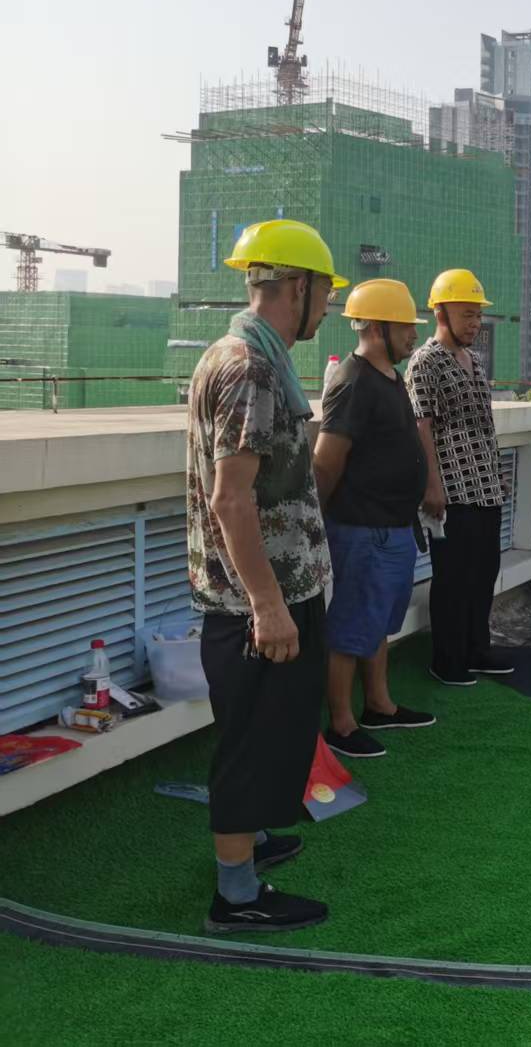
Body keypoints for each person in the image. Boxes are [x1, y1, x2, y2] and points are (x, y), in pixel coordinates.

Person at [186, 219, 344, 933]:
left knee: (269, 732)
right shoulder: (251, 369)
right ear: (298, 286)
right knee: (252, 744)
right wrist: (268, 606)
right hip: (259, 601)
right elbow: (231, 498)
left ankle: (248, 842)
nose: (329, 308)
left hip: (269, 590)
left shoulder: (238, 354)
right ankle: (237, 896)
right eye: (326, 293)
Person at [312, 278, 437, 759]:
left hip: (393, 526)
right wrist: (317, 520)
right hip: (362, 528)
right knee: (350, 627)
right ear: (378, 327)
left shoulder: (388, 377)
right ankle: (342, 724)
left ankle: (379, 705)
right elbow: (327, 461)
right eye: (405, 326)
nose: (413, 334)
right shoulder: (353, 381)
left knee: (377, 620)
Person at [406, 268, 513, 687]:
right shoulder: (425, 362)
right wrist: (432, 486)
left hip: (485, 486)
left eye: (477, 315)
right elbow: (421, 426)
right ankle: (447, 659)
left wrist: (496, 474)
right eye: (467, 315)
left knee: (484, 570)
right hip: (452, 489)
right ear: (441, 312)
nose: (474, 324)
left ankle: (476, 649)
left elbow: (484, 425)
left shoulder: (475, 361)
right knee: (452, 576)